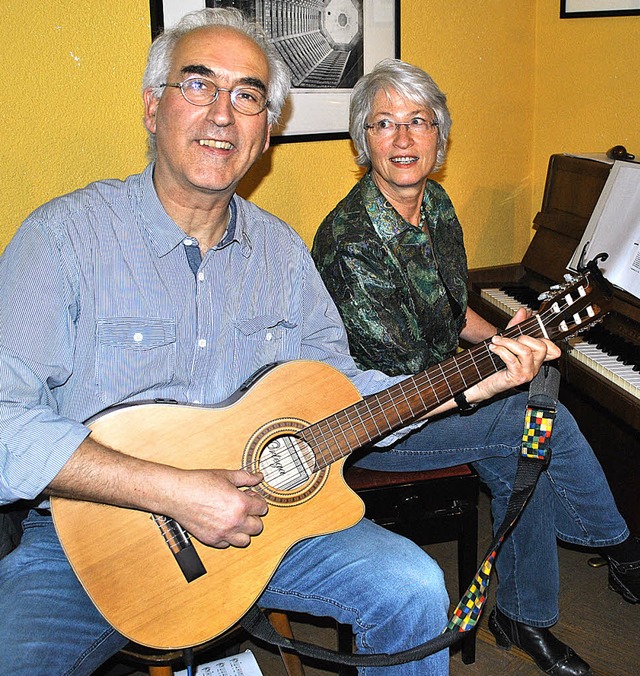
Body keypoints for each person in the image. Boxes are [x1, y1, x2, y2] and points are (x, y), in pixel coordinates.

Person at [0, 10, 562, 675]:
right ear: (153, 108)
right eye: (198, 86)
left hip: (268, 525)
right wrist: (174, 491)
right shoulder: (65, 238)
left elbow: (343, 395)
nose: (222, 115)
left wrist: (471, 380)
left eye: (247, 97)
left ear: (266, 132)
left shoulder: (282, 255)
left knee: (412, 587)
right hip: (87, 538)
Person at [311, 59, 640, 676]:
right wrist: (492, 378)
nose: (404, 139)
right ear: (364, 142)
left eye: (419, 122)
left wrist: (504, 334)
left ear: (440, 137)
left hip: (440, 389)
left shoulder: (434, 205)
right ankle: (623, 551)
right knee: (546, 423)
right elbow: (404, 396)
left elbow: (450, 304)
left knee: (530, 432)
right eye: (385, 124)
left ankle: (523, 617)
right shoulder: (352, 242)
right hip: (375, 426)